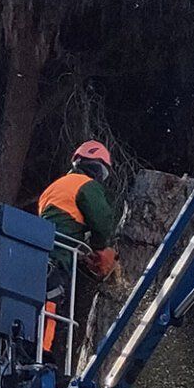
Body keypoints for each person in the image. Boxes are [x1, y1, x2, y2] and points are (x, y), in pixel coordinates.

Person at [34, 140, 122, 359]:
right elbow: (102, 221)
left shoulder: (55, 187)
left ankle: (35, 352)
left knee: (41, 307)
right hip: (58, 258)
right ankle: (42, 356)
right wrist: (101, 248)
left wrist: (84, 253)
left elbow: (65, 223)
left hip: (42, 253)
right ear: (98, 168)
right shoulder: (85, 185)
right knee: (53, 308)